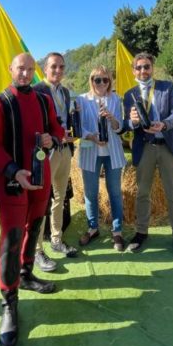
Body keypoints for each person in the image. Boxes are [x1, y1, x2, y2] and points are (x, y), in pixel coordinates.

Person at [0, 53, 65, 346]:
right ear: (10, 69)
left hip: (40, 178)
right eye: (21, 69)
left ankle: (27, 274)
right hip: (13, 182)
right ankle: (8, 303)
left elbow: (58, 129)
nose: (26, 74)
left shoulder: (43, 100)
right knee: (12, 238)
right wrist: (14, 170)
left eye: (30, 69)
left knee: (35, 226)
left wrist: (52, 139)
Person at [122, 52, 173, 260]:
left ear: (152, 68)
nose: (143, 70)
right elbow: (126, 125)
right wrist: (132, 121)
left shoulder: (167, 87)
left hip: (167, 145)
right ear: (133, 71)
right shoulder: (129, 95)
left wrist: (165, 124)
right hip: (145, 147)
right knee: (142, 193)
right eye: (139, 67)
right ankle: (141, 232)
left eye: (146, 66)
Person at [32, 52, 78, 271]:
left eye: (61, 67)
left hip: (64, 150)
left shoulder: (65, 92)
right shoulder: (37, 91)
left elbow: (65, 119)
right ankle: (36, 250)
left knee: (60, 197)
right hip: (47, 153)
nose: (58, 70)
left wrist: (70, 134)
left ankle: (56, 240)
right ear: (45, 68)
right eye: (53, 66)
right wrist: (53, 136)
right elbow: (35, 125)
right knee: (41, 201)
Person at [76, 66, 126, 250]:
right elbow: (78, 126)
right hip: (90, 152)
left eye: (105, 80)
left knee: (115, 193)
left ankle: (117, 231)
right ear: (91, 81)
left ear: (109, 81)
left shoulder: (116, 99)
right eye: (97, 79)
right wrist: (91, 136)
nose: (102, 83)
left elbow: (119, 127)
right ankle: (93, 228)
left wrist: (112, 118)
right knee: (90, 193)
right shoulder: (82, 99)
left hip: (113, 152)